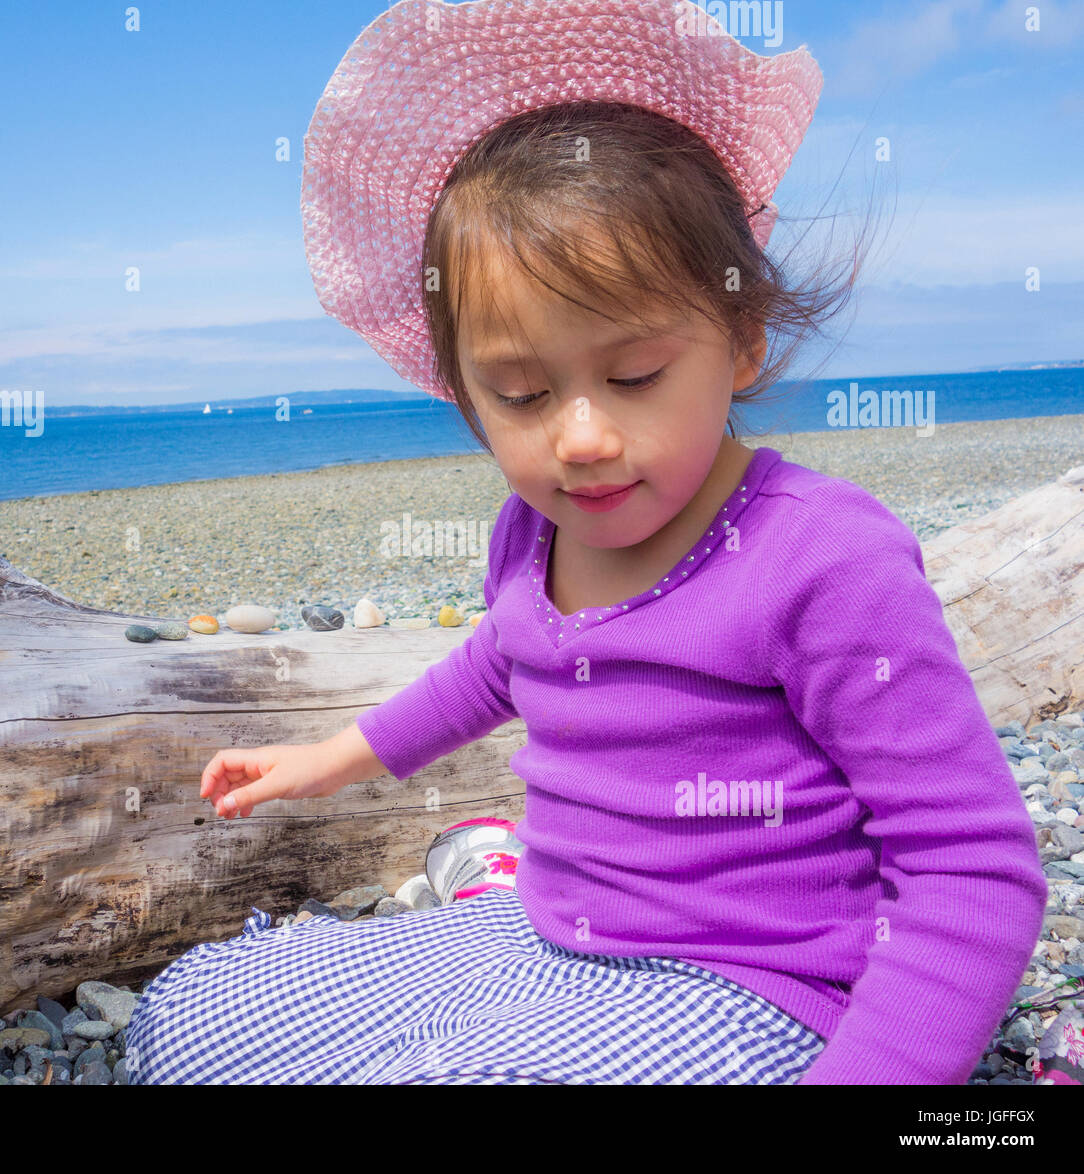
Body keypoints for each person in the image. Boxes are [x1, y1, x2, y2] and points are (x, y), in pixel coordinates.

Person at [123, 0, 1047, 1085]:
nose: (582, 438)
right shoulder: (532, 531)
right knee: (193, 1012)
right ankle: (494, 892)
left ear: (742, 338)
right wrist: (330, 759)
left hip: (756, 984)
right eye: (519, 392)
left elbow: (968, 868)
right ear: (462, 393)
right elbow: (498, 664)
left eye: (635, 376)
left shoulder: (822, 559)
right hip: (554, 932)